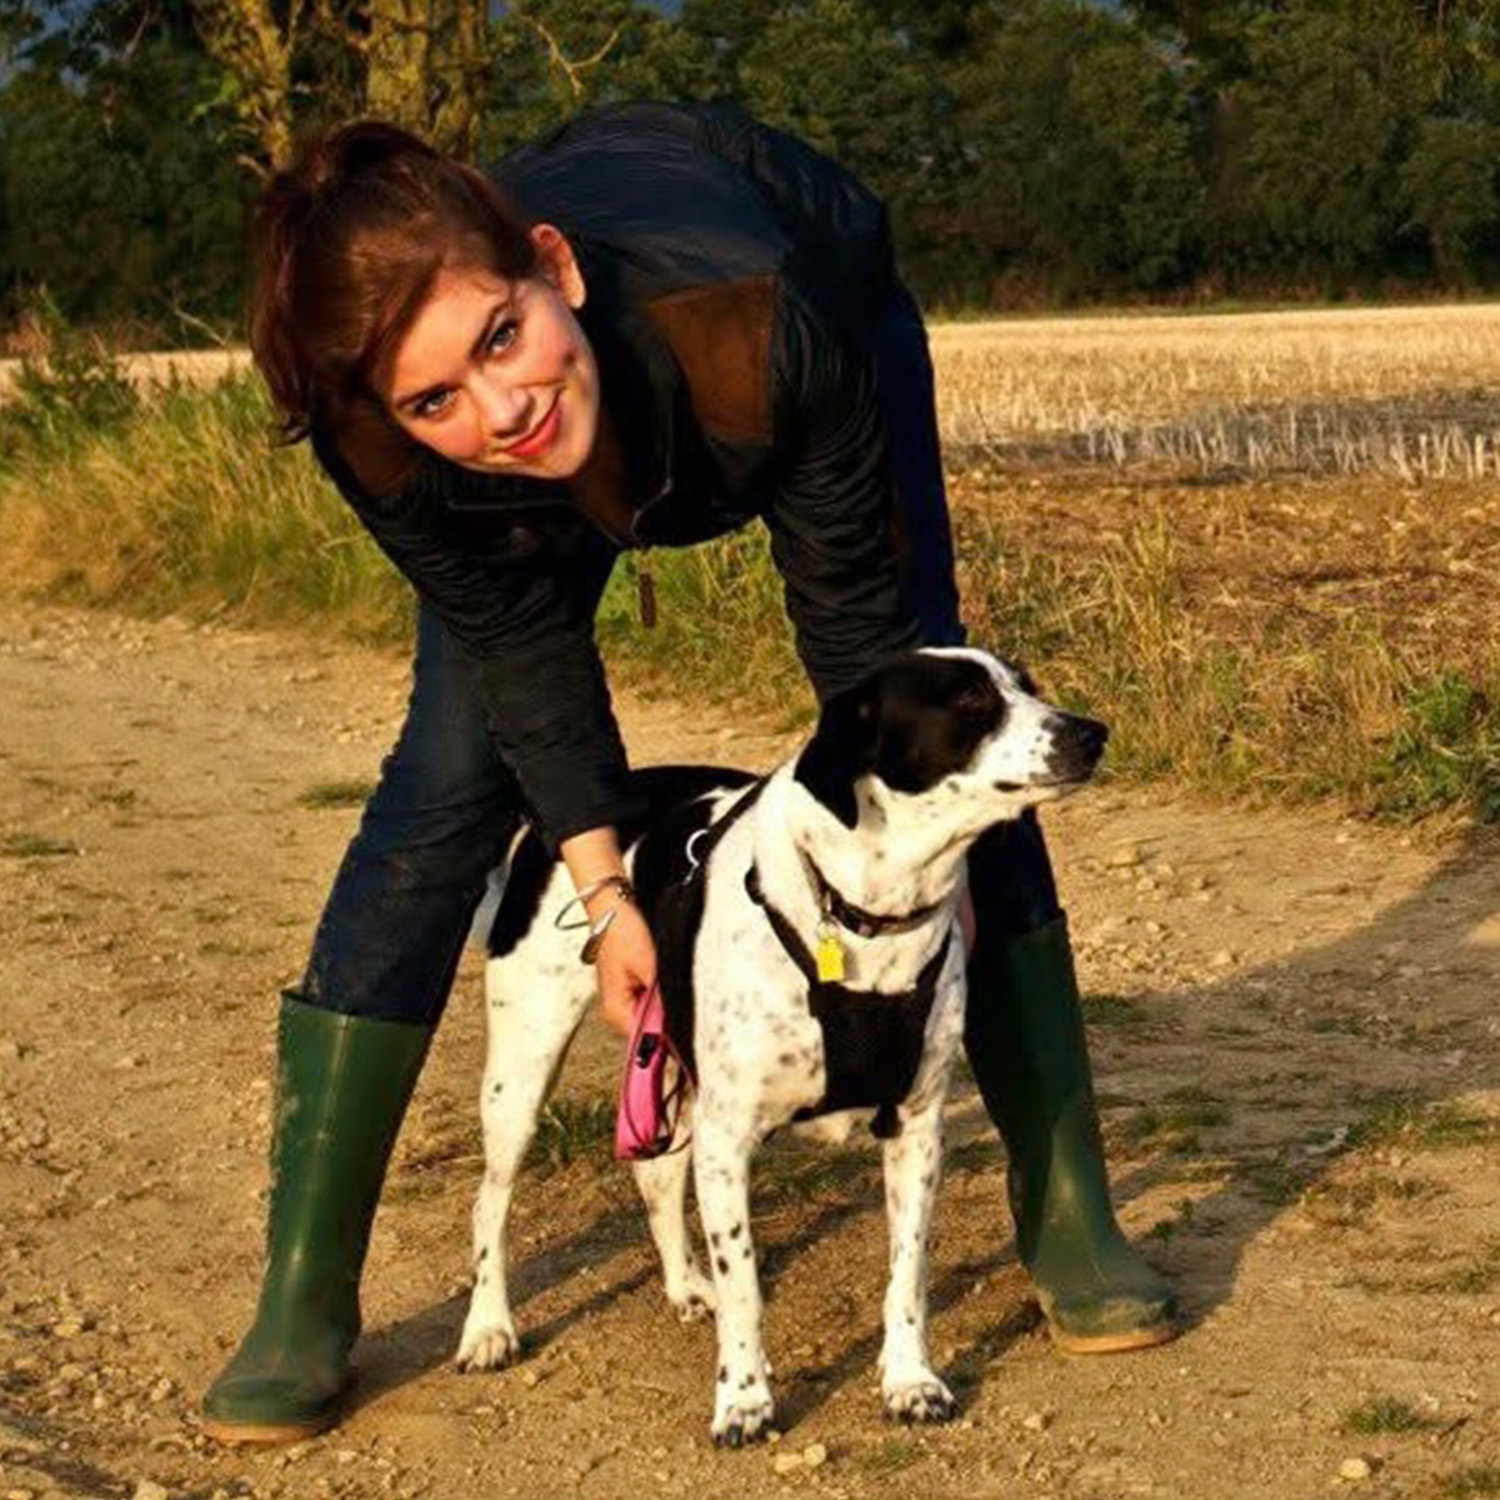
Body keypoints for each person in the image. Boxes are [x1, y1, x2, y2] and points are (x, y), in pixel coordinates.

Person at [201, 100, 1177, 1444]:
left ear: (555, 268)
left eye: (504, 337)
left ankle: (1071, 1211)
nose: (504, 407)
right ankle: (303, 1291)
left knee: (939, 747)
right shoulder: (380, 439)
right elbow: (528, 669)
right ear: (388, 409)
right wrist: (610, 903)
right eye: (437, 396)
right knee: (445, 785)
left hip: (794, 314)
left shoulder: (759, 326)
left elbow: (860, 678)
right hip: (599, 402)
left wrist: (870, 899)